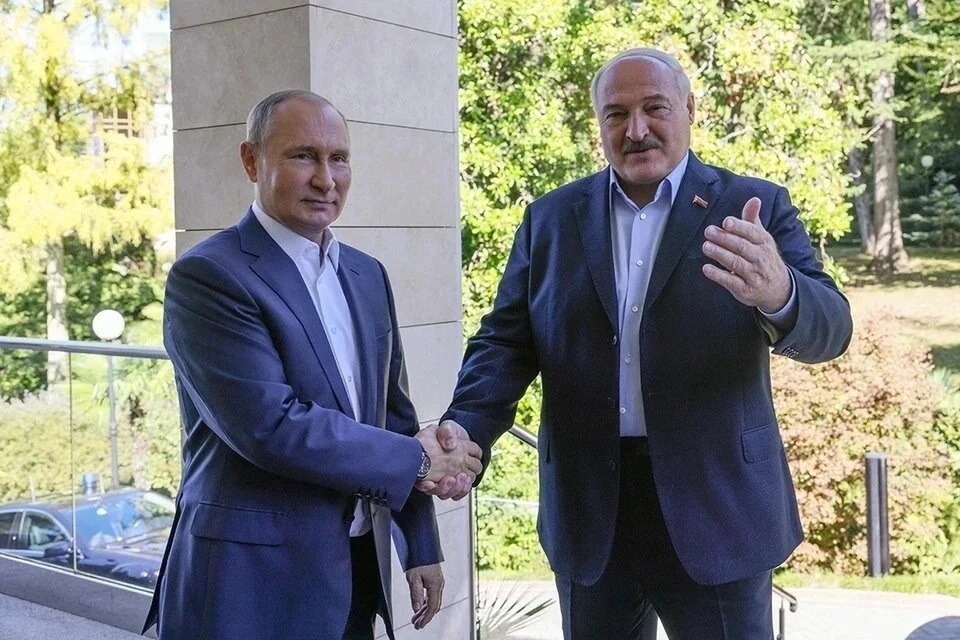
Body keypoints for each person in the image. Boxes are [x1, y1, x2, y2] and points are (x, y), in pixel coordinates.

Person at [426, 48, 854, 639]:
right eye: (616, 114)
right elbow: (505, 343)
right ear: (598, 123)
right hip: (590, 513)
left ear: (689, 109)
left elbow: (833, 328)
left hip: (718, 510)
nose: (636, 130)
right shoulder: (551, 219)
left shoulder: (751, 207)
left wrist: (780, 291)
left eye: (655, 108)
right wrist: (465, 432)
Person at [143, 89, 482, 640]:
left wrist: (420, 543)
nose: (326, 179)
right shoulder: (209, 276)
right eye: (303, 156)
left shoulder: (367, 275)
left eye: (338, 158)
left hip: (353, 575)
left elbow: (394, 417)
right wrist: (423, 461)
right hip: (246, 586)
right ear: (252, 160)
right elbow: (270, 426)